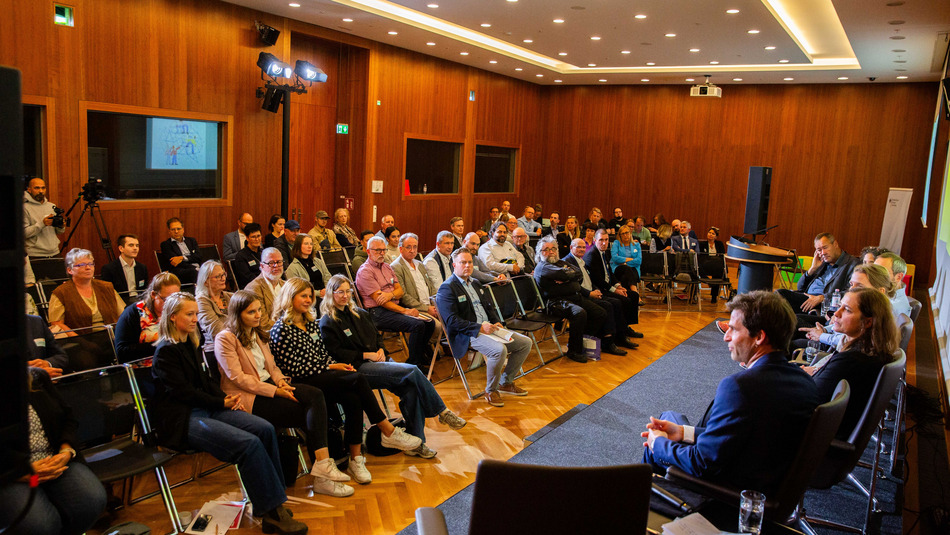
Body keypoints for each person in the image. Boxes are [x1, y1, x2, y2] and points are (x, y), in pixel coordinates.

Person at [151, 293, 308, 535]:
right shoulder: (165, 352)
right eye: (189, 314)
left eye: (195, 313)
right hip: (184, 418)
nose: (196, 319)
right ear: (173, 318)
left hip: (207, 407)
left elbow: (207, 381)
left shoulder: (190, 343)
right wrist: (221, 401)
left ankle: (270, 504)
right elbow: (184, 393)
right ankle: (272, 510)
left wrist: (226, 400)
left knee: (264, 429)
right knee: (248, 443)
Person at [641, 290, 820, 497]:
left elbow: (702, 464)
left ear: (759, 337)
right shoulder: (805, 382)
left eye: (733, 330)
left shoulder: (740, 387)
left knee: (656, 440)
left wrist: (658, 443)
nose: (726, 337)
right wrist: (683, 433)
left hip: (733, 492)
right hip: (770, 482)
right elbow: (746, 437)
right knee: (669, 419)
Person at [268, 278, 422, 483]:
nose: (307, 300)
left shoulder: (310, 323)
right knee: (357, 378)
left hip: (321, 374)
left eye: (310, 296)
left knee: (353, 399)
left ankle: (356, 459)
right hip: (301, 381)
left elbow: (323, 354)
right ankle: (387, 429)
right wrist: (330, 367)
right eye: (302, 296)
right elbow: (293, 368)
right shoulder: (281, 328)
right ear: (290, 297)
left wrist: (334, 364)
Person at [215, 290, 354, 497]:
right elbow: (238, 378)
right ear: (237, 314)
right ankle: (322, 476)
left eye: (259, 310)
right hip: (248, 396)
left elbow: (272, 367)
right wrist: (276, 391)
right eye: (251, 312)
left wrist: (281, 382)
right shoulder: (225, 338)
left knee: (316, 396)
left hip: (271, 384)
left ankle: (323, 466)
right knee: (310, 415)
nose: (258, 315)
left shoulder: (257, 333)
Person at [319, 275, 466, 458]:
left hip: (380, 360)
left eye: (348, 291)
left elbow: (377, 337)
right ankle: (441, 411)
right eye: (340, 292)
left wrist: (380, 349)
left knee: (411, 389)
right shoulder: (328, 321)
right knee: (412, 370)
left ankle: (416, 444)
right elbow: (337, 353)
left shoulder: (360, 313)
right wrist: (367, 355)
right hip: (357, 368)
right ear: (331, 293)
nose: (345, 295)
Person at [0, 367, 107, 535]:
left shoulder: (36, 377)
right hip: (10, 474)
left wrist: (66, 449)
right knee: (39, 524)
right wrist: (16, 472)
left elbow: (67, 418)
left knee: (92, 501)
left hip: (54, 459)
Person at [435, 248, 533, 407]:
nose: (467, 266)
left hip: (490, 328)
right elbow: (452, 321)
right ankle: (491, 390)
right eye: (463, 262)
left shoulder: (475, 283)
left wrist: (496, 321)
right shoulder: (447, 288)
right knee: (499, 350)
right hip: (468, 333)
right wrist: (480, 328)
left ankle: (506, 383)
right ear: (454, 265)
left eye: (470, 262)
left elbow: (489, 307)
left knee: (525, 343)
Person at [806, 288, 899, 437]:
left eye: (847, 310)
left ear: (868, 322)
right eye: (840, 306)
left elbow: (808, 400)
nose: (836, 313)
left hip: (815, 437)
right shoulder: (870, 351)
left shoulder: (852, 361)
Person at [534, 236, 623, 362]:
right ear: (540, 252)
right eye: (546, 249)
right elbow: (564, 274)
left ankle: (581, 340)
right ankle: (574, 351)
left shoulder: (559, 263)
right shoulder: (544, 266)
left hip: (573, 297)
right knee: (579, 313)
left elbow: (578, 272)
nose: (551, 251)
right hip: (555, 302)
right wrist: (567, 276)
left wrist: (566, 277)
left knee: (600, 312)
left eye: (553, 248)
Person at [356, 237, 435, 368]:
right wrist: (405, 310)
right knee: (417, 325)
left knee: (430, 323)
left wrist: (389, 294)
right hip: (377, 313)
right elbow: (381, 301)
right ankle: (414, 365)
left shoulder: (387, 267)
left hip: (393, 307)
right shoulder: (365, 271)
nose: (382, 253)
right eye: (378, 250)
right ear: (368, 251)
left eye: (383, 250)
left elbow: (400, 291)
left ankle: (418, 356)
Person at [565, 238, 638, 350]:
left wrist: (596, 289)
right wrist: (590, 293)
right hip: (581, 296)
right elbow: (575, 285)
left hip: (592, 291)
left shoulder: (581, 261)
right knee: (610, 305)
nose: (582, 249)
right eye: (578, 247)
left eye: (583, 247)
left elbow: (590, 280)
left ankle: (620, 335)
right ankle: (608, 340)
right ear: (571, 247)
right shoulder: (568, 262)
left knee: (618, 302)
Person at [48, 248, 125, 335]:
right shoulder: (60, 293)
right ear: (70, 270)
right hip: (79, 340)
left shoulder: (107, 287)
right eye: (82, 265)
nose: (88, 268)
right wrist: (81, 341)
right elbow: (57, 324)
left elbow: (123, 315)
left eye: (91, 264)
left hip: (112, 336)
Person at [779, 232, 860, 314]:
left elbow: (852, 292)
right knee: (775, 300)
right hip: (807, 299)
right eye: (819, 250)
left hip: (823, 304)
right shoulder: (822, 262)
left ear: (835, 244)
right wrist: (812, 269)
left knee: (780, 294)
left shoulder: (853, 264)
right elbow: (800, 287)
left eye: (825, 247)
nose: (823, 253)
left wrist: (823, 297)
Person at [114, 272, 182, 363]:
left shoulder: (179, 310)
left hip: (175, 364)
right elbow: (122, 352)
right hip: (145, 369)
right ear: (153, 295)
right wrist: (161, 345)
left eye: (175, 300)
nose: (171, 305)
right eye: (166, 300)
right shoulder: (133, 313)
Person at [391, 233, 443, 344]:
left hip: (430, 305)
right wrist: (426, 308)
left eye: (415, 247)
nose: (412, 250)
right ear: (401, 249)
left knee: (450, 319)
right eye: (408, 247)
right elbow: (404, 296)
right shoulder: (396, 267)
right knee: (438, 326)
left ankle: (426, 346)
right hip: (414, 308)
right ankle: (423, 347)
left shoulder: (420, 264)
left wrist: (435, 305)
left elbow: (431, 287)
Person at [589, 229, 643, 338]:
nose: (604, 243)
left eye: (606, 240)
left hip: (607, 285)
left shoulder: (604, 253)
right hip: (600, 289)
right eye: (601, 240)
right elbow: (598, 280)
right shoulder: (592, 255)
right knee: (624, 299)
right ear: (595, 240)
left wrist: (619, 285)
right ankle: (621, 332)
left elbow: (609, 273)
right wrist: (615, 290)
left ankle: (626, 326)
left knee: (634, 295)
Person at [196, 261, 233, 364]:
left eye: (223, 274)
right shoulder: (201, 301)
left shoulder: (230, 296)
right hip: (216, 348)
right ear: (205, 281)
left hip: (237, 343)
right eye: (217, 276)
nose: (223, 278)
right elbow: (216, 331)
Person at [245, 247, 286, 332]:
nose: (276, 266)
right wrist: (289, 326)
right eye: (271, 263)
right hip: (268, 335)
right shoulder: (254, 288)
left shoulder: (286, 285)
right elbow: (263, 324)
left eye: (279, 262)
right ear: (262, 266)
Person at [23, 177, 65, 258]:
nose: (41, 191)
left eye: (43, 188)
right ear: (29, 190)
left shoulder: (51, 206)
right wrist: (42, 224)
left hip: (55, 252)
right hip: (35, 255)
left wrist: (61, 226)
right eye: (37, 188)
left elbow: (59, 232)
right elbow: (23, 233)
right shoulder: (24, 208)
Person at [100, 234, 149, 304]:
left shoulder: (142, 267)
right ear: (121, 248)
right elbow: (106, 294)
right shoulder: (109, 268)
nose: (135, 248)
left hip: (139, 301)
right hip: (120, 303)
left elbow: (145, 290)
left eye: (137, 245)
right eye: (131, 245)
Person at [285, 234, 331, 298]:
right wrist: (318, 293)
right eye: (306, 244)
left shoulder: (318, 261)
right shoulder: (292, 268)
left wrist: (327, 290)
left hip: (325, 295)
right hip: (309, 298)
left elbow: (327, 277)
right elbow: (297, 290)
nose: (309, 246)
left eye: (311, 244)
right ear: (298, 246)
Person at [159, 217, 202, 285]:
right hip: (180, 271)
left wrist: (182, 258)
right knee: (194, 272)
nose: (176, 231)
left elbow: (199, 257)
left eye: (178, 229)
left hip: (197, 268)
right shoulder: (166, 244)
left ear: (183, 230)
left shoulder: (191, 241)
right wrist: (195, 268)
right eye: (173, 229)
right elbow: (176, 263)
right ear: (169, 231)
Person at [874, 252, 912, 318]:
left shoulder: (890, 308)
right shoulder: (885, 293)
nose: (874, 276)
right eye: (874, 270)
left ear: (898, 277)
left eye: (882, 272)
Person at [697, 226, 727, 303]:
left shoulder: (719, 244)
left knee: (718, 272)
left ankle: (714, 296)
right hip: (705, 264)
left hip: (716, 264)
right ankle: (707, 279)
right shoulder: (702, 244)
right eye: (709, 233)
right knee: (698, 266)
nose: (710, 234)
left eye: (713, 234)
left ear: (716, 236)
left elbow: (722, 255)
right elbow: (701, 256)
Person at [232, 222, 264, 289]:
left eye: (258, 236)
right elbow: (247, 278)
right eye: (253, 237)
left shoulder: (263, 253)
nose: (257, 239)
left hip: (265, 285)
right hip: (250, 288)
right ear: (247, 238)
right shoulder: (241, 256)